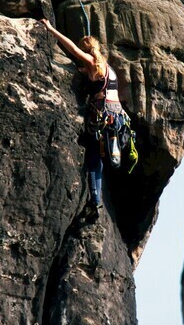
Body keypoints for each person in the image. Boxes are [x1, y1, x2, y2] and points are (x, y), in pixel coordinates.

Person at [40, 18, 126, 221]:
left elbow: (72, 50)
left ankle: (95, 200)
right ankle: (96, 198)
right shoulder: (106, 68)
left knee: (94, 159)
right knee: (101, 157)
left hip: (102, 113)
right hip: (117, 115)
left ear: (87, 50)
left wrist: (51, 28)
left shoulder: (90, 62)